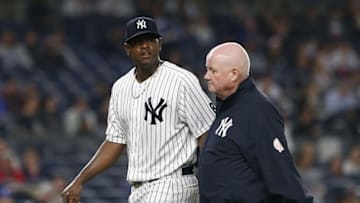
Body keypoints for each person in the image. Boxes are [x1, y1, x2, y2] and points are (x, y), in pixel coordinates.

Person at [61, 16, 215, 203]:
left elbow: (207, 132)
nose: (145, 46)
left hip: (175, 183)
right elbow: (114, 142)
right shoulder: (120, 88)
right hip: (138, 190)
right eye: (137, 42)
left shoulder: (181, 80)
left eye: (150, 40)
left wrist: (214, 178)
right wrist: (79, 181)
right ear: (127, 49)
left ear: (160, 44)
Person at [198, 42, 313, 203]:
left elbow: (282, 176)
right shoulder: (229, 107)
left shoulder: (257, 111)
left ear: (233, 74)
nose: (206, 76)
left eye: (213, 71)